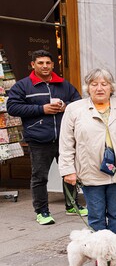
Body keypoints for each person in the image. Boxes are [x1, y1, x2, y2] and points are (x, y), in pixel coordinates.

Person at [6, 49, 86, 225]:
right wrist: (41, 109)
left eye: (48, 63)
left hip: (64, 138)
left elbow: (79, 103)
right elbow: (12, 107)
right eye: (40, 63)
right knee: (40, 177)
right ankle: (42, 211)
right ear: (33, 65)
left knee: (69, 172)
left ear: (53, 64)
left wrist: (66, 106)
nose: (44, 66)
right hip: (38, 139)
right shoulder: (23, 86)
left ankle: (72, 205)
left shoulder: (64, 84)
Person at [59, 69, 116, 238]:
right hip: (91, 172)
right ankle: (100, 252)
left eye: (104, 84)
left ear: (112, 87)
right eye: (94, 84)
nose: (99, 88)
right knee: (96, 216)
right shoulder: (74, 109)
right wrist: (67, 170)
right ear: (88, 88)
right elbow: (66, 142)